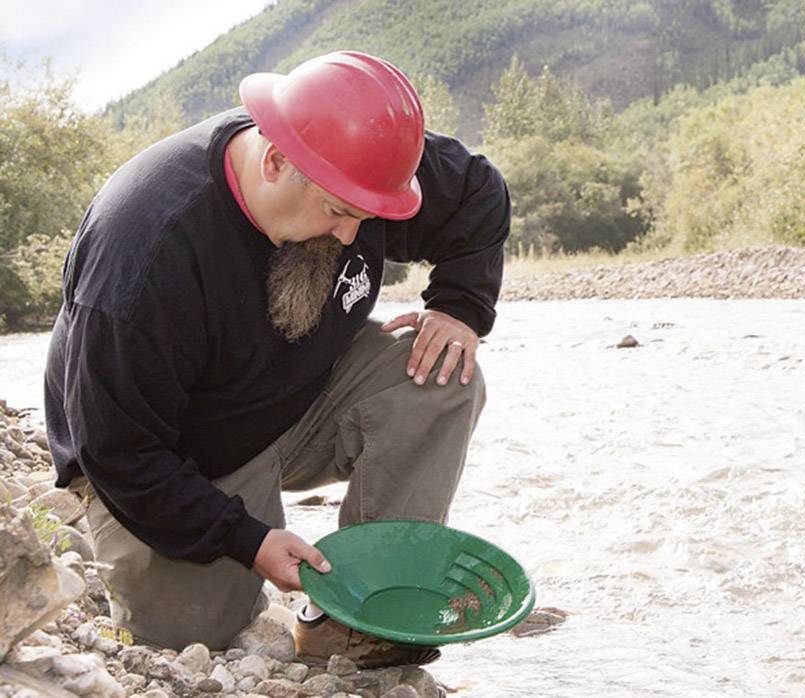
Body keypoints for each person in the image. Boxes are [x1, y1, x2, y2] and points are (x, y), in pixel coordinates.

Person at [43, 50, 509, 667]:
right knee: (191, 641)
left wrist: (460, 306)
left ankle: (360, 612)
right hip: (170, 454)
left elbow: (479, 189)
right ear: (274, 161)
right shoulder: (143, 256)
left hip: (294, 395)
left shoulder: (357, 153)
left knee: (444, 376)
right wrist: (248, 538)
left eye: (367, 218)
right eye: (340, 213)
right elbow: (120, 453)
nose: (351, 237)